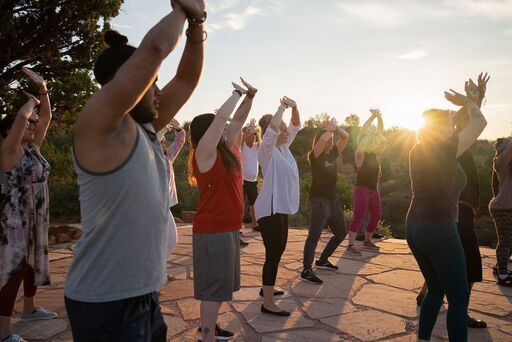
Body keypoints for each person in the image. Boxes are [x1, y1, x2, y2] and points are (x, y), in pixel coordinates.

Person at [64, 1, 205, 340]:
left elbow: (185, 80)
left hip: (143, 295)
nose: (159, 90)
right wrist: (183, 10)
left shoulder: (146, 128)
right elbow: (155, 48)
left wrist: (197, 26)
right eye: (151, 81)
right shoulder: (99, 128)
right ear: (126, 81)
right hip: (104, 302)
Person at [406, 83, 487, 341]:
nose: (452, 126)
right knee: (459, 297)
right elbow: (479, 122)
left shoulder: (418, 149)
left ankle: (423, 339)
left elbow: (466, 127)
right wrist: (468, 101)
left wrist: (472, 101)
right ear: (440, 128)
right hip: (439, 227)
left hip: (414, 226)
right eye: (448, 123)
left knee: (435, 289)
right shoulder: (444, 148)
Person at [189, 79, 256, 342]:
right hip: (212, 230)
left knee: (220, 288)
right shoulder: (204, 154)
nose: (225, 128)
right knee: (212, 291)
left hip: (228, 228)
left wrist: (249, 98)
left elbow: (235, 122)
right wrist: (236, 93)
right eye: (218, 127)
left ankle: (210, 327)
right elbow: (221, 120)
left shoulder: (225, 150)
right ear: (206, 133)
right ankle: (206, 336)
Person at [0, 67, 55, 342]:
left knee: (33, 264)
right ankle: (3, 331)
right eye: (27, 125)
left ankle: (30, 309)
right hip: (16, 220)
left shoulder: (33, 148)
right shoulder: (9, 151)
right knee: (13, 272)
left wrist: (43, 89)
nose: (33, 125)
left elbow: (45, 118)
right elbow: (24, 116)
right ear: (9, 132)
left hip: (37, 215)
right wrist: (30, 103)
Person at [255, 96, 301, 316]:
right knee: (273, 254)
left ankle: (266, 291)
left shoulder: (285, 148)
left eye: (284, 131)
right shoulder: (267, 149)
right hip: (269, 210)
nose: (286, 132)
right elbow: (274, 128)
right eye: (281, 130)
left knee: (277, 251)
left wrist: (295, 107)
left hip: (281, 209)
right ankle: (268, 303)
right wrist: (281, 107)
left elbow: (296, 126)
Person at [301, 118, 349, 284]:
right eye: (328, 140)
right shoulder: (315, 156)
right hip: (319, 199)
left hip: (332, 200)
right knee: (314, 235)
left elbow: (346, 138)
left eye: (331, 140)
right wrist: (328, 131)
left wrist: (336, 129)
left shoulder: (333, 153)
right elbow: (321, 141)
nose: (330, 142)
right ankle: (307, 270)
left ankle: (322, 260)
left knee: (341, 232)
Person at [347, 109, 387, 255]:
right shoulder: (360, 154)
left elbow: (383, 139)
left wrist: (378, 118)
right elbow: (363, 138)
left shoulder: (375, 153)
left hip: (373, 189)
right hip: (362, 188)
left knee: (376, 216)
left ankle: (367, 240)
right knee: (359, 215)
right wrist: (372, 118)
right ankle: (351, 244)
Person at [158, 119, 186, 259]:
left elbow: (179, 141)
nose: (163, 144)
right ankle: (158, 270)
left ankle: (159, 269)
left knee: (167, 239)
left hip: (164, 205)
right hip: (154, 204)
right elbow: (150, 142)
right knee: (170, 238)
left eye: (163, 142)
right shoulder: (149, 157)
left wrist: (178, 128)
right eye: (161, 142)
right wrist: (162, 130)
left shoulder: (168, 155)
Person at [490, 136, 512, 287]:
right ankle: (503, 275)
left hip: (508, 207)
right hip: (502, 208)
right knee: (505, 240)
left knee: (509, 240)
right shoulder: (500, 163)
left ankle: (500, 267)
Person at [241, 119, 261, 231]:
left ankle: (254, 224)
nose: (251, 137)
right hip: (242, 181)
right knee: (241, 204)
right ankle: (238, 227)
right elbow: (242, 138)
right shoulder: (242, 146)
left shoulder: (256, 147)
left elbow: (261, 140)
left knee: (255, 204)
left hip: (252, 181)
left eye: (253, 135)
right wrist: (248, 130)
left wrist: (255, 131)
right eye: (249, 135)